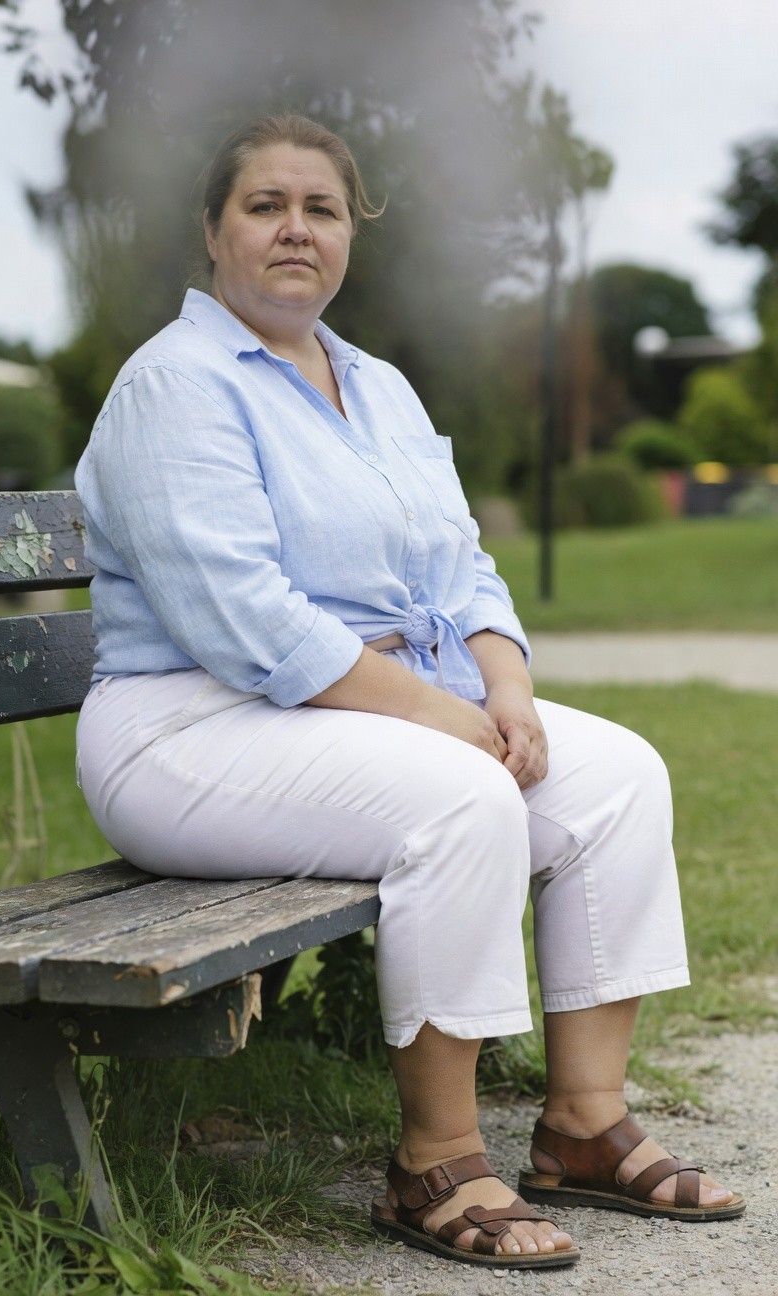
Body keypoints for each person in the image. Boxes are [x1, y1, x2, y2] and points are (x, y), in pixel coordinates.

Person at [74, 114, 744, 1270]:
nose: (296, 229)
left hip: (360, 718)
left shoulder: (374, 385)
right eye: (266, 205)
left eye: (321, 208)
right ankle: (435, 1160)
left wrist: (509, 689)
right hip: (186, 727)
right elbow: (243, 619)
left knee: (622, 774)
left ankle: (582, 1126)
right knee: (458, 795)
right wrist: (446, 719)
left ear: (351, 234)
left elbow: (460, 564)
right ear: (212, 230)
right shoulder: (172, 387)